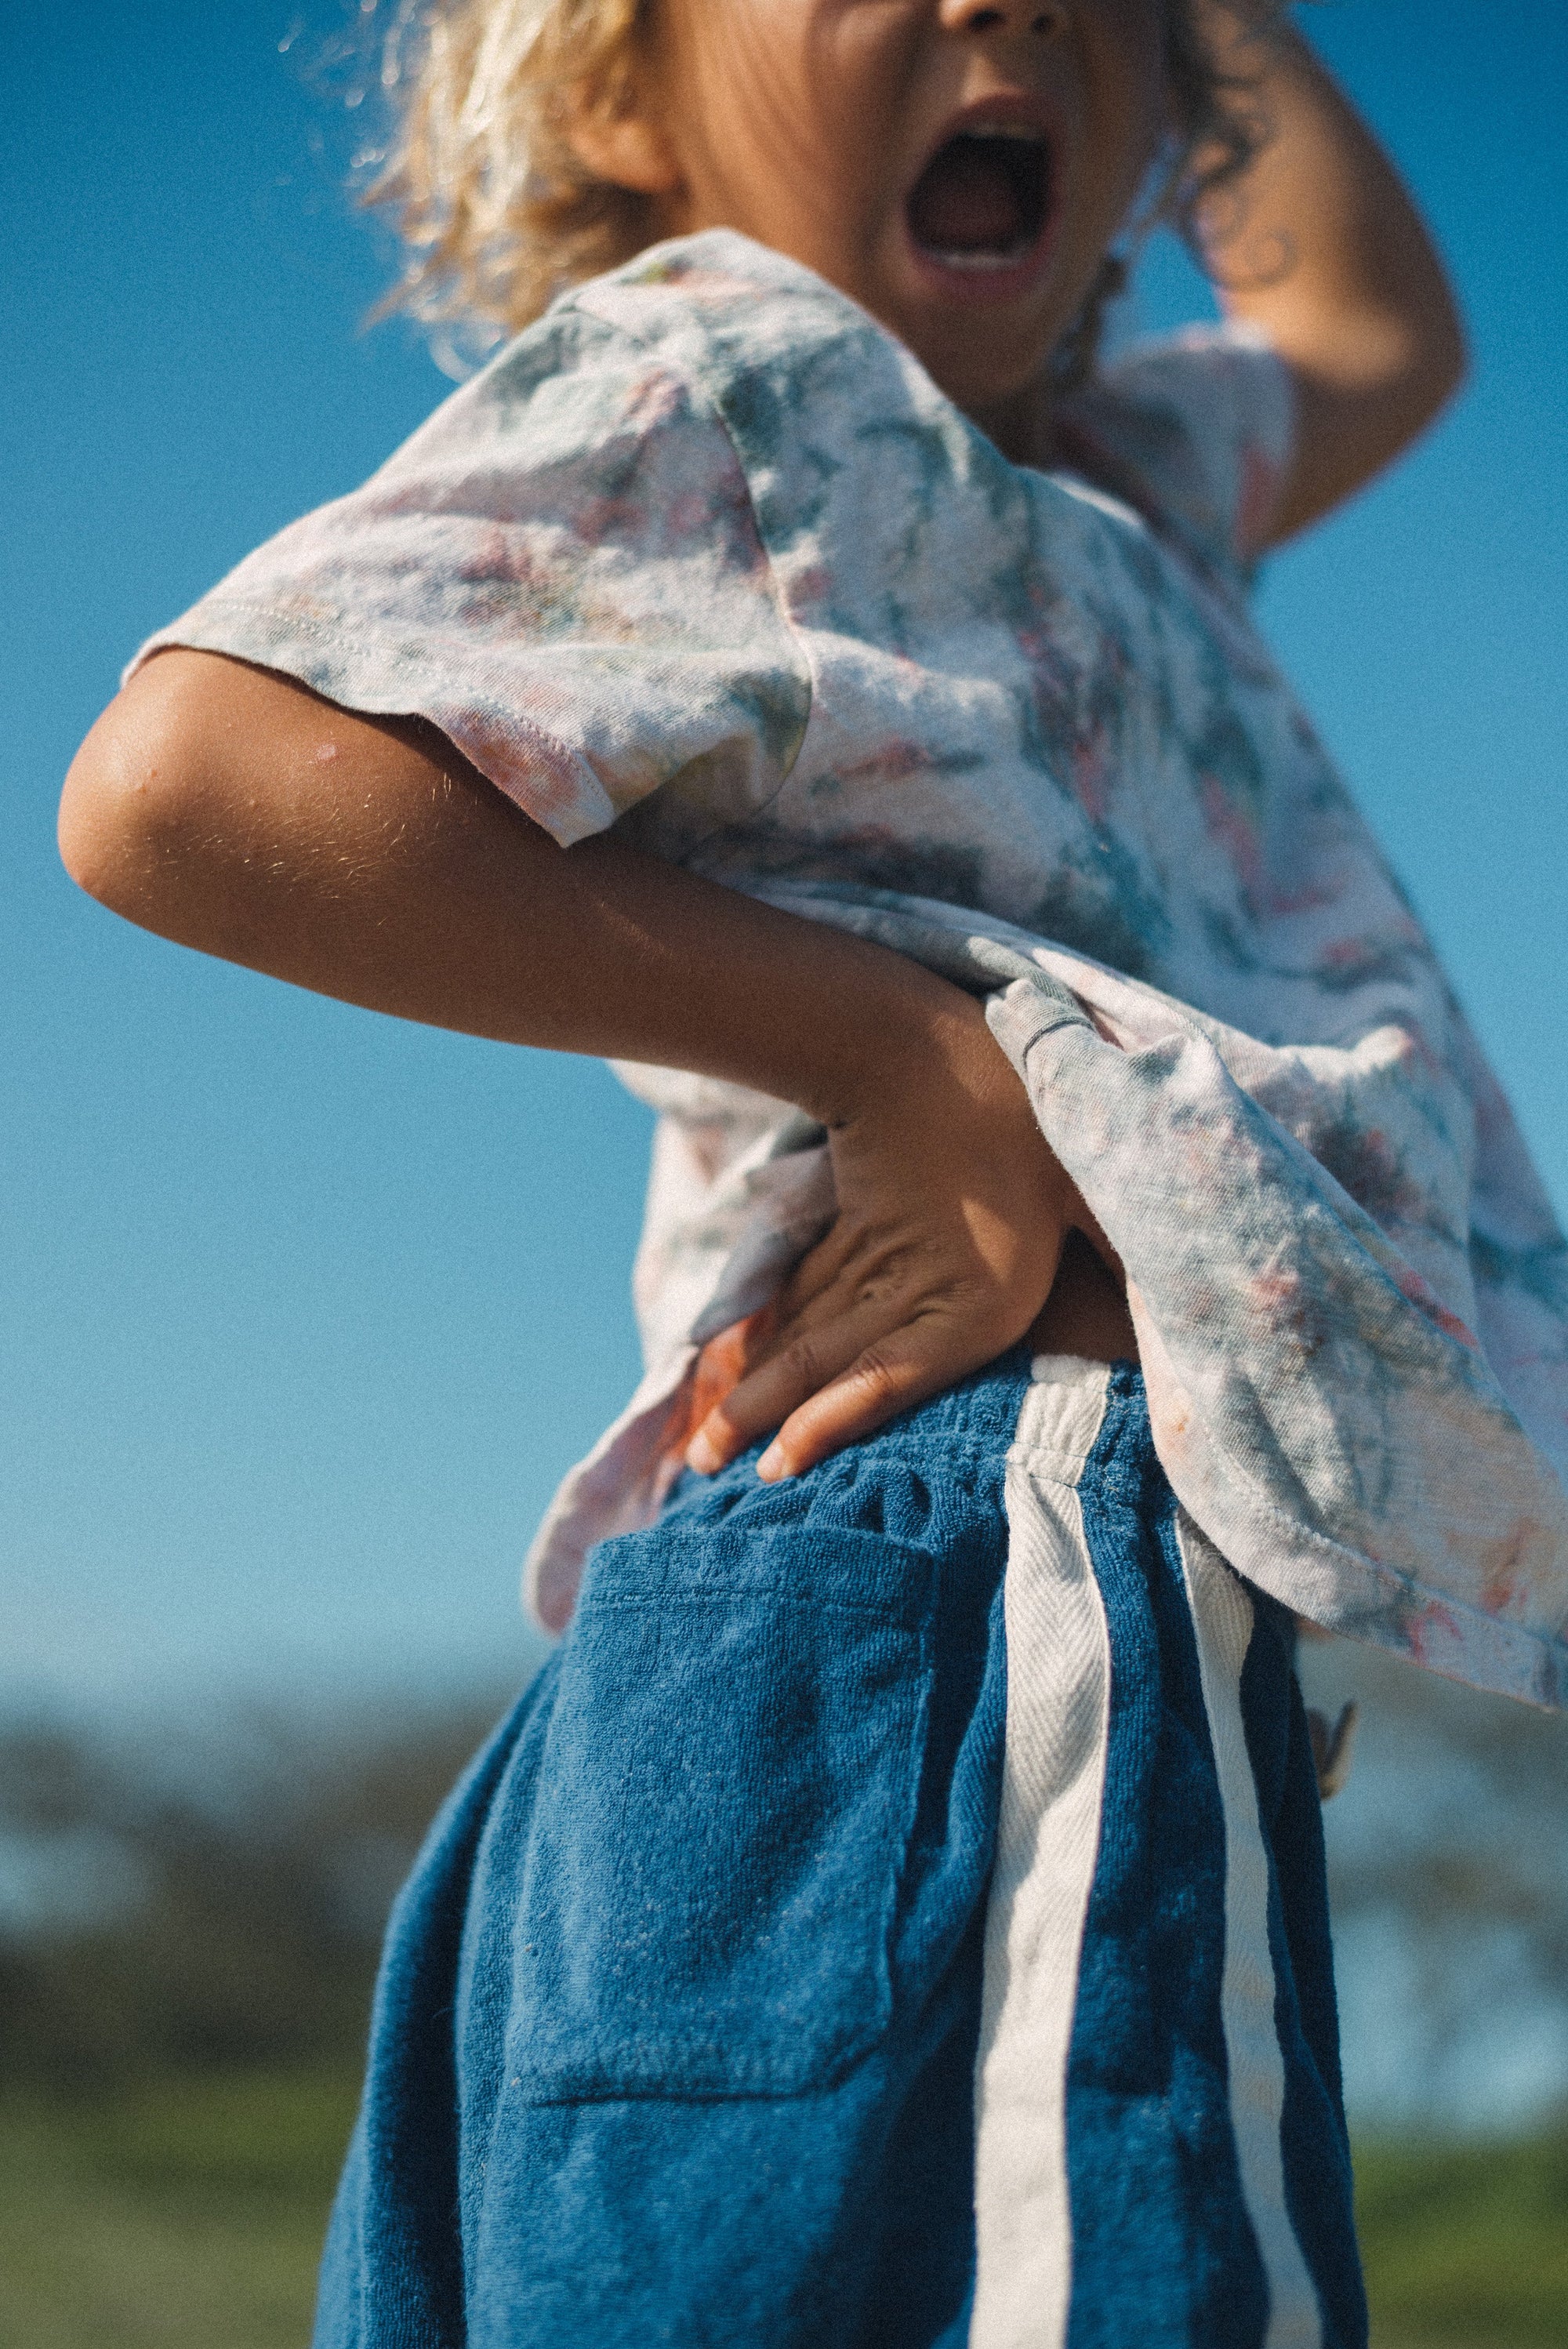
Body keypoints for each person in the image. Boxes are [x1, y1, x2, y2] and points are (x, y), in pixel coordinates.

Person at [56, 3, 1568, 2344]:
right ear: (623, 96)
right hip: (996, 1552)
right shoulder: (760, 380)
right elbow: (178, 779)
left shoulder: (1127, 478)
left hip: (785, 1639)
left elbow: (1376, 328)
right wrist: (896, 1052)